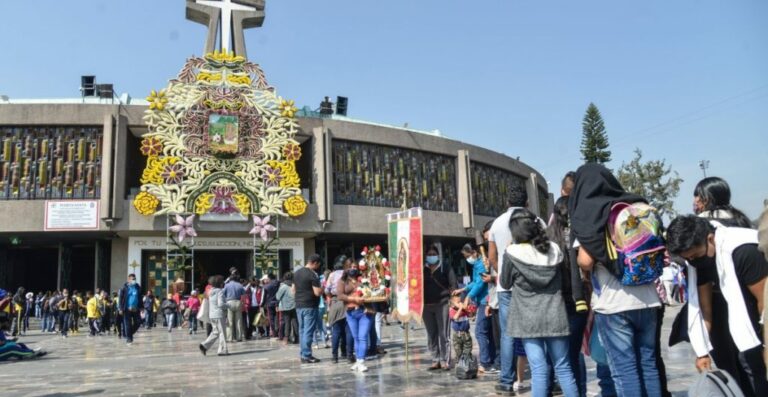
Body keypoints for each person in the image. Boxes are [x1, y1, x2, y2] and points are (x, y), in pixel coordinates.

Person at [568, 163, 662, 397]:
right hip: (649, 298)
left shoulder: (589, 215)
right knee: (648, 366)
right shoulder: (636, 206)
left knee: (624, 370)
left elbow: (585, 261)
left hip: (614, 304)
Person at [667, 215, 768, 397]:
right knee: (737, 376)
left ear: (710, 239)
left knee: (759, 377)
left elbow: (765, 302)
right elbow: (704, 308)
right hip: (736, 319)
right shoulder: (698, 261)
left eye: (696, 255)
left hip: (758, 317)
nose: (694, 261)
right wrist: (702, 351)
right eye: (688, 259)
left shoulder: (743, 251)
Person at [500, 209, 578, 397]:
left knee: (538, 369)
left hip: (528, 319)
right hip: (555, 315)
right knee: (564, 368)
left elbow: (505, 283)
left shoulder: (512, 253)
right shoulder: (554, 250)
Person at [487, 184, 533, 394]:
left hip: (505, 287)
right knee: (535, 329)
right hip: (531, 284)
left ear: (507, 203)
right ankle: (542, 373)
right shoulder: (536, 220)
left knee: (507, 333)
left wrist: (503, 273)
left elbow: (492, 257)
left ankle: (506, 380)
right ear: (527, 203)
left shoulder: (496, 224)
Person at [548, 195, 590, 396]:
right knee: (575, 354)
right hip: (579, 301)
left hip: (556, 303)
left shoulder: (548, 239)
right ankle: (580, 392)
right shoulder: (581, 235)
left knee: (560, 358)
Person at [454, 244, 497, 374]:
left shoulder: (482, 263)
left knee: (480, 331)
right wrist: (463, 289)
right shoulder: (477, 264)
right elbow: (475, 281)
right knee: (488, 332)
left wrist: (469, 296)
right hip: (484, 301)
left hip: (486, 300)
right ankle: (491, 360)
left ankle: (485, 362)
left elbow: (480, 283)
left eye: (467, 256)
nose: (467, 259)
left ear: (473, 252)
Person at [422, 245, 457, 371]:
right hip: (426, 306)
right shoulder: (422, 269)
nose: (431, 256)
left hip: (442, 304)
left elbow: (453, 284)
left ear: (438, 255)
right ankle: (435, 359)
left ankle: (444, 359)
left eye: (433, 254)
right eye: (429, 254)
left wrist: (454, 298)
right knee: (431, 334)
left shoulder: (445, 267)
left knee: (443, 333)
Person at [337, 267, 370, 372]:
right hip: (351, 312)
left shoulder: (363, 279)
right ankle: (358, 360)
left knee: (362, 337)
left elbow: (371, 291)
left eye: (355, 267)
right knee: (356, 337)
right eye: (350, 266)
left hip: (364, 311)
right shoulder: (342, 281)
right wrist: (353, 299)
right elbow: (340, 295)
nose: (353, 269)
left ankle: (361, 361)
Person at [293, 254, 323, 364]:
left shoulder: (296, 273)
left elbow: (293, 290)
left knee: (302, 330)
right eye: (318, 265)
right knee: (308, 331)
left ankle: (303, 354)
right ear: (315, 263)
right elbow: (317, 292)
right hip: (310, 305)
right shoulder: (312, 275)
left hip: (299, 305)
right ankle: (307, 355)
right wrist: (322, 289)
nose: (318, 267)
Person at [326, 255, 351, 363]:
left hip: (335, 302)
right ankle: (348, 354)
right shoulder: (348, 274)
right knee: (348, 330)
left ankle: (334, 356)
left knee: (336, 331)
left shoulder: (331, 275)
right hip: (348, 301)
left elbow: (327, 290)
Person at [199, 275, 228, 356]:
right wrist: (228, 305)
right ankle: (222, 350)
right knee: (222, 332)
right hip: (219, 314)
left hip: (212, 315)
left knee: (215, 332)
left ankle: (204, 345)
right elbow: (221, 304)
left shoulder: (209, 291)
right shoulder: (219, 291)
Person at [448, 295, 475, 365]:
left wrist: (468, 308)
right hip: (457, 335)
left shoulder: (464, 310)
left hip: (466, 333)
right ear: (453, 303)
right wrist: (460, 308)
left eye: (461, 301)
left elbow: (471, 315)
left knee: (468, 349)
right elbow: (455, 317)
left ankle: (467, 363)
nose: (460, 303)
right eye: (458, 302)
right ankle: (459, 363)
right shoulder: (452, 310)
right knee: (458, 351)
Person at [118, 273, 143, 345]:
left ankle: (128, 333)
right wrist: (120, 308)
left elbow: (140, 298)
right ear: (128, 279)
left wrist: (141, 307)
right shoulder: (124, 288)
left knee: (138, 322)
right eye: (133, 279)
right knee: (127, 324)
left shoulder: (138, 287)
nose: (134, 280)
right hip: (126, 309)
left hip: (136, 308)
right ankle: (129, 339)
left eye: (135, 279)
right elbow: (121, 299)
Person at [223, 270, 245, 343]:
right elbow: (244, 295)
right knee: (238, 321)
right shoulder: (240, 285)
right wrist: (243, 303)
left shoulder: (227, 285)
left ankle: (230, 338)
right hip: (238, 302)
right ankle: (239, 337)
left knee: (230, 321)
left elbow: (223, 294)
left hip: (229, 303)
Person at [276, 272, 297, 344]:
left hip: (285, 307)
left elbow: (278, 297)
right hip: (295, 306)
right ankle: (297, 338)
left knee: (287, 323)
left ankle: (286, 338)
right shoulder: (295, 285)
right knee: (295, 322)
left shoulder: (283, 286)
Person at [263, 273, 280, 338]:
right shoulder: (279, 284)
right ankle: (278, 331)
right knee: (278, 318)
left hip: (269, 304)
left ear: (269, 278)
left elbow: (263, 297)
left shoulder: (266, 286)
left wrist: (262, 304)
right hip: (278, 303)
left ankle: (274, 333)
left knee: (271, 319)